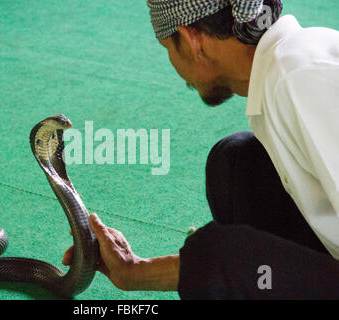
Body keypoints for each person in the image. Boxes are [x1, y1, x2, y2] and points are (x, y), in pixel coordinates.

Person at [63, 0, 339, 299]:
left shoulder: (300, 80)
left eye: (167, 47)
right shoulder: (291, 62)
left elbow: (223, 260)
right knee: (235, 162)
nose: (173, 65)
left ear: (192, 39)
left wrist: (141, 271)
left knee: (215, 255)